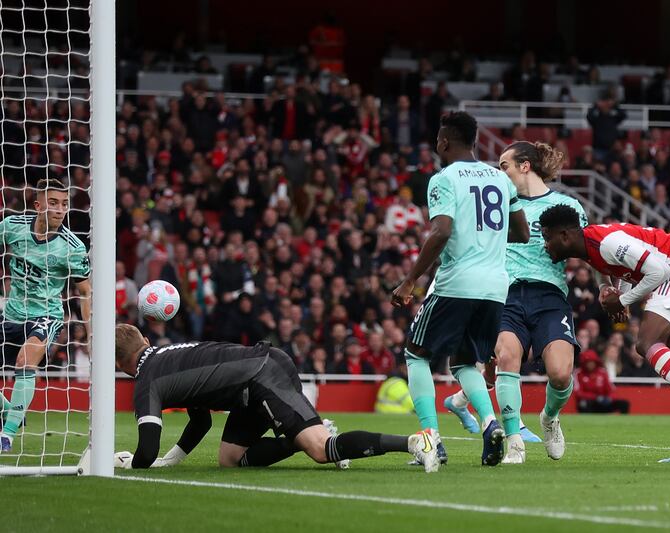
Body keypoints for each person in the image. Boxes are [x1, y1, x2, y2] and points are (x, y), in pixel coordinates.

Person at [391, 111, 529, 467]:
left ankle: (431, 441)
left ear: (445, 141)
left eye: (438, 140)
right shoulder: (501, 179)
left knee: (416, 354)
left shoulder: (443, 179)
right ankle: (489, 424)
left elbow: (440, 232)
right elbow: (522, 233)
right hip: (496, 286)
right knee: (466, 361)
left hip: (458, 281)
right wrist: (485, 236)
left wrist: (410, 280)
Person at [112, 324, 439, 473]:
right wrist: (169, 462)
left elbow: (146, 449)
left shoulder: (147, 380)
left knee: (322, 451)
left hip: (261, 375)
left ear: (117, 364)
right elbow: (201, 420)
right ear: (144, 339)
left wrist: (134, 464)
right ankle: (308, 433)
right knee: (229, 458)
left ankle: (416, 442)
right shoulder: (170, 354)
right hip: (247, 384)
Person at [539, 204, 670, 463]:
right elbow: (614, 268)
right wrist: (606, 288)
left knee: (646, 342)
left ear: (565, 236)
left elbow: (658, 271)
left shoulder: (606, 243)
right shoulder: (592, 246)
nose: (545, 245)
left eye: (547, 237)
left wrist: (624, 299)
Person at [443, 141, 586, 464]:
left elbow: (588, 248)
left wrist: (608, 286)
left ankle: (549, 418)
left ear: (525, 166)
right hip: (505, 295)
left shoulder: (567, 206)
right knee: (506, 358)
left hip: (550, 296)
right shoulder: (500, 206)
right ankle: (514, 442)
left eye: (504, 165)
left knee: (561, 374)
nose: (499, 171)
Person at [0, 179, 92, 454]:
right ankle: (12, 412)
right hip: (12, 312)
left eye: (64, 204)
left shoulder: (71, 247)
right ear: (38, 205)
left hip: (46, 316)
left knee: (24, 361)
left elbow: (86, 292)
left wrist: (90, 334)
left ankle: (6, 435)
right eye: (53, 203)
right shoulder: (12, 227)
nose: (59, 210)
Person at [574, 350, 630, 414]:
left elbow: (610, 389)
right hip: (590, 402)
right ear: (584, 363)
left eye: (592, 362)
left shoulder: (602, 372)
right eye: (588, 362)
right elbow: (578, 393)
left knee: (624, 404)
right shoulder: (578, 373)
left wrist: (608, 398)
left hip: (603, 401)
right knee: (583, 404)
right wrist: (596, 398)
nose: (590, 364)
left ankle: (622, 422)